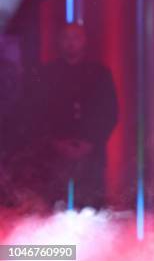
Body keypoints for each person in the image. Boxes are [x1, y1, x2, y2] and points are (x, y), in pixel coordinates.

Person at [32, 24, 118, 210]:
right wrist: (54, 142)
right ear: (59, 41)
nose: (71, 43)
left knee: (92, 208)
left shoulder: (100, 74)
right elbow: (37, 112)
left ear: (84, 41)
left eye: (76, 37)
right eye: (66, 38)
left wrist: (91, 142)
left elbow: (109, 112)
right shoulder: (46, 74)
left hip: (91, 154)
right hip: (53, 154)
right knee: (53, 208)